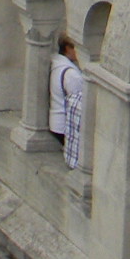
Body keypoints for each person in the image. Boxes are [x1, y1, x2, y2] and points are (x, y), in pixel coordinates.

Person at [48, 35, 85, 169]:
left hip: (55, 121)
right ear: (68, 48)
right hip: (63, 125)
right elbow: (79, 102)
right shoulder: (71, 74)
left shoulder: (56, 63)